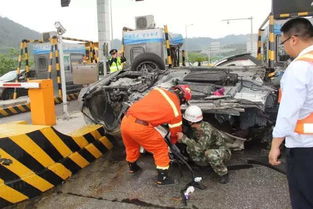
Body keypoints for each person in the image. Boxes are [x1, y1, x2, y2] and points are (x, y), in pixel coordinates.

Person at [268, 17, 313, 209]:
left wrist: (275, 145)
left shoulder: (299, 68)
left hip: (305, 146)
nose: (284, 48)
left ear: (294, 39)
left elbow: (288, 112)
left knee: (304, 198)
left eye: (284, 42)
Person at [120, 85, 192, 185]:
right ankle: (163, 178)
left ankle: (132, 167)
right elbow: (175, 133)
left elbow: (153, 107)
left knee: (131, 145)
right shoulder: (175, 111)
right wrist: (174, 144)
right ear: (183, 99)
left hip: (126, 120)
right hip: (140, 128)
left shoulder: (158, 90)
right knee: (161, 149)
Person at [177, 105, 231, 184]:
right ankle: (203, 165)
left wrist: (184, 139)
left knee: (210, 154)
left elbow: (200, 148)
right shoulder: (195, 127)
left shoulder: (206, 130)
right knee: (190, 147)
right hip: (207, 148)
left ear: (191, 121)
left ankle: (223, 173)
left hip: (222, 152)